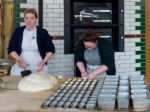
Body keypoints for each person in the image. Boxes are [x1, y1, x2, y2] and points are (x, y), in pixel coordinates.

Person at [7, 8, 55, 76]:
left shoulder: (42, 32)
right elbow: (11, 49)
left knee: (37, 84)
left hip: (38, 64)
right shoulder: (18, 31)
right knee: (19, 84)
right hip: (21, 62)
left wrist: (43, 62)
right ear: (24, 19)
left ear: (36, 19)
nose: (29, 21)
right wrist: (19, 59)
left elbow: (51, 50)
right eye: (26, 18)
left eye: (32, 18)